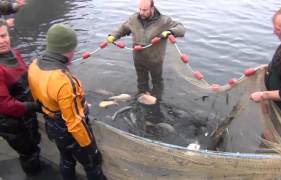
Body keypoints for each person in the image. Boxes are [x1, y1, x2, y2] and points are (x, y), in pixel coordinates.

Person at [28, 23, 107, 180]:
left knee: (66, 160)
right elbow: (75, 123)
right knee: (92, 166)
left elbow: (36, 96)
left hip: (51, 125)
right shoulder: (64, 81)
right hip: (69, 132)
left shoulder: (34, 65)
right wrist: (91, 149)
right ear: (69, 49)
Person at [107, 0, 185, 100]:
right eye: (140, 9)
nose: (141, 12)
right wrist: (113, 36)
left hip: (155, 59)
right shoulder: (134, 19)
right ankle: (141, 98)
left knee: (157, 82)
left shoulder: (164, 21)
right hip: (138, 58)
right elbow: (123, 28)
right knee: (141, 82)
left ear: (152, 8)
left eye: (144, 10)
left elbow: (181, 29)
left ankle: (157, 100)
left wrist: (170, 31)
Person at [0, 19, 42, 176]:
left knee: (34, 142)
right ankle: (34, 174)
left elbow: (25, 74)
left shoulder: (14, 52)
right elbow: (4, 105)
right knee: (28, 152)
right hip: (9, 121)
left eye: (3, 35)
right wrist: (35, 106)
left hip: (25, 112)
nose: (2, 41)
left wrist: (37, 68)